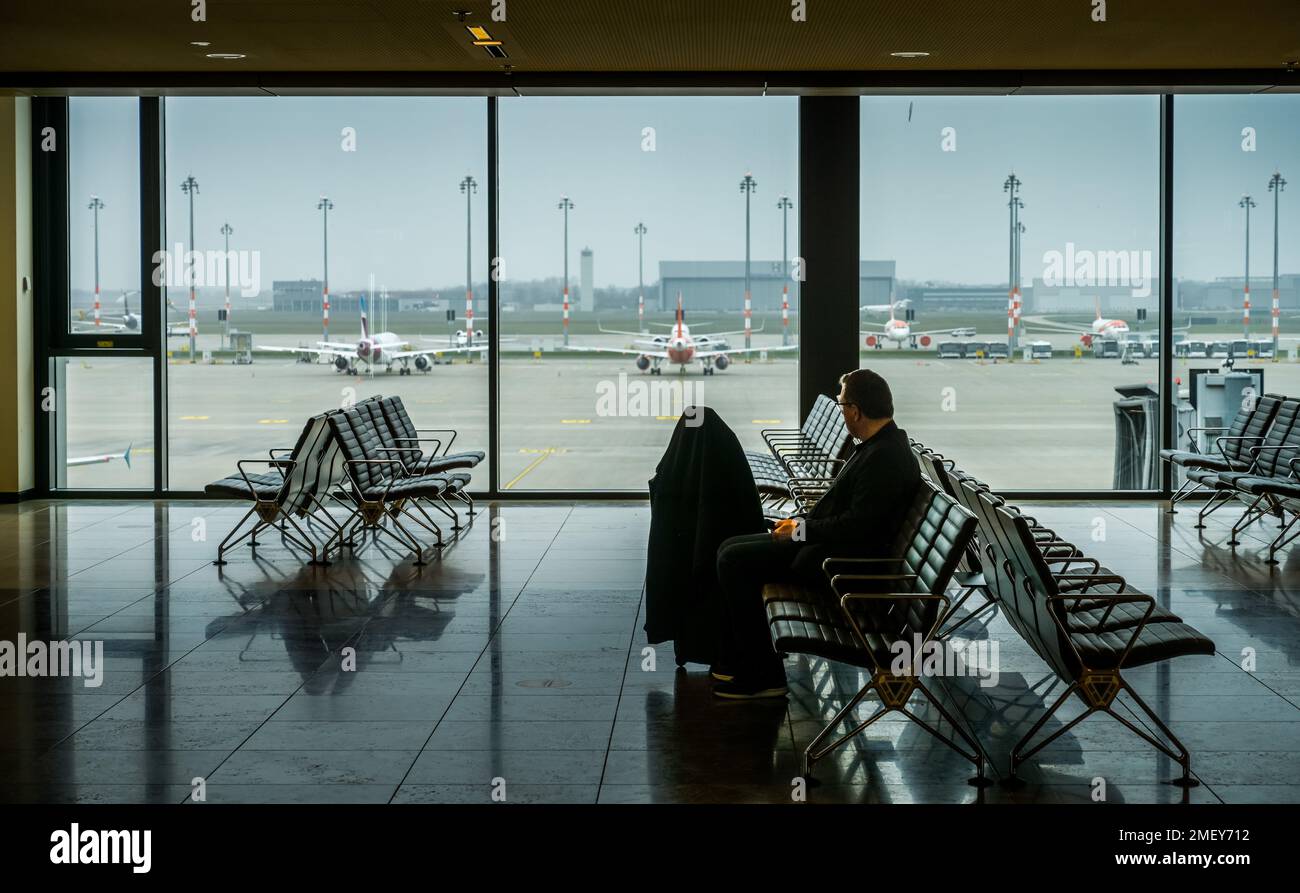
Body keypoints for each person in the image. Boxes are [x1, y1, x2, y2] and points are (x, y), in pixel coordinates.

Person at [712, 368, 921, 699]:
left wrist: (799, 530)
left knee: (734, 561)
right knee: (729, 548)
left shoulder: (884, 458)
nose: (841, 413)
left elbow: (855, 528)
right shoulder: (879, 445)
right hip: (830, 550)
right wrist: (800, 524)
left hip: (839, 567)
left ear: (855, 410)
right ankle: (739, 658)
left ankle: (764, 674)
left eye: (841, 406)